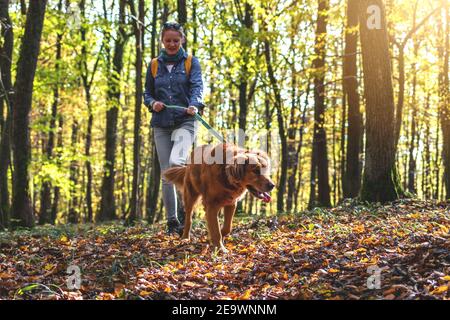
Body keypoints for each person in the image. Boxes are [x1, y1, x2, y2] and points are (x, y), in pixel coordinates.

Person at [144, 22, 204, 235]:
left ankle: (187, 212)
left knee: (175, 163)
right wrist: (152, 103)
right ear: (162, 40)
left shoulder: (190, 62)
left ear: (182, 41)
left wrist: (194, 104)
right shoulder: (153, 65)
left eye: (175, 40)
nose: (171, 44)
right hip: (161, 123)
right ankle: (172, 222)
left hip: (185, 122)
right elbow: (147, 93)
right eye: (168, 40)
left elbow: (197, 86)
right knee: (166, 173)